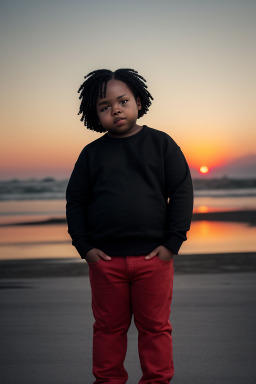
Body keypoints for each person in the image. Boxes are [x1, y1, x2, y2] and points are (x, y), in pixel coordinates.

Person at [66, 68, 194, 384]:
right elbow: (76, 202)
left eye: (122, 101)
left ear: (138, 100)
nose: (115, 110)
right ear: (95, 115)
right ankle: (108, 381)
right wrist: (85, 247)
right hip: (105, 261)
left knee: (155, 327)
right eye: (104, 106)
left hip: (154, 259)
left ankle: (157, 381)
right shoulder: (92, 154)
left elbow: (181, 191)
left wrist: (171, 244)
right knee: (108, 328)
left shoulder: (161, 143)